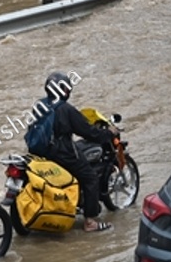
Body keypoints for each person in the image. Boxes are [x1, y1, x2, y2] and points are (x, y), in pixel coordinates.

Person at [38, 72, 118, 233]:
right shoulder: (66, 109)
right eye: (66, 89)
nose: (68, 92)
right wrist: (109, 133)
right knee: (90, 178)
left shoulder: (39, 106)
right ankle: (90, 222)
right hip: (62, 154)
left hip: (41, 155)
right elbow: (89, 132)